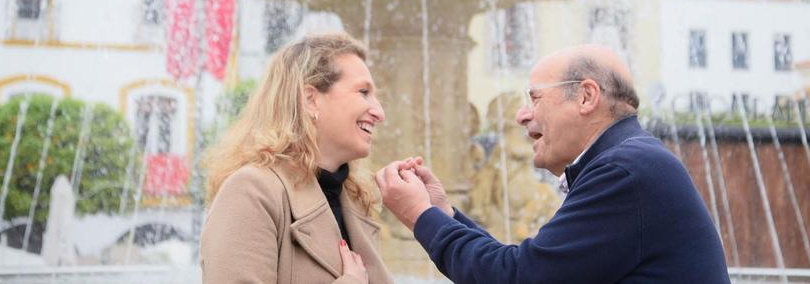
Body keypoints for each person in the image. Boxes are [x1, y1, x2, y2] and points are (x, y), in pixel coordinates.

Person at [376, 44, 730, 283]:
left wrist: (421, 217)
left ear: (586, 97)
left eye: (535, 97)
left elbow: (518, 277)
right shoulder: (633, 161)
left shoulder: (624, 172)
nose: (521, 115)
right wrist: (446, 214)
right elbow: (530, 267)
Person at [201, 33, 391, 283]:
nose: (379, 112)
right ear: (311, 99)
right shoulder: (251, 191)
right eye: (363, 92)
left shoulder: (353, 200)